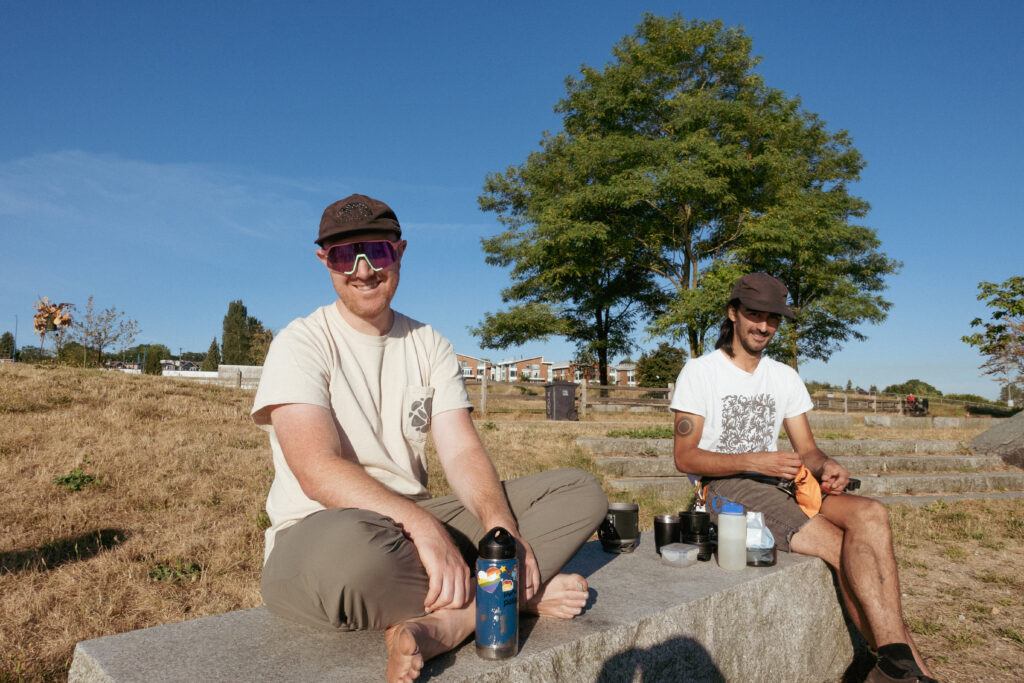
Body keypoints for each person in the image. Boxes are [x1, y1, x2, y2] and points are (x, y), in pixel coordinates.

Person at [251, 194, 607, 682]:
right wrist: (424, 529)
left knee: (578, 491)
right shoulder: (300, 343)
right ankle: (513, 599)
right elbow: (316, 469)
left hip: (413, 527)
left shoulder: (430, 344)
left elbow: (460, 450)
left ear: (398, 252)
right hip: (325, 532)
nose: (362, 270)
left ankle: (460, 618)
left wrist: (501, 532)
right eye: (342, 255)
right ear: (324, 262)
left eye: (375, 251)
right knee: (351, 558)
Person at [670, 273, 936, 683]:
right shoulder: (700, 371)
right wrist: (757, 461)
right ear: (733, 313)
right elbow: (685, 457)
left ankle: (895, 668)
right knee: (840, 544)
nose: (763, 326)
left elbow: (807, 451)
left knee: (871, 515)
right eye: (754, 314)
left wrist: (827, 466)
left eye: (772, 318)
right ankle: (912, 672)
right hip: (725, 488)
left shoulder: (784, 376)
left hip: (785, 480)